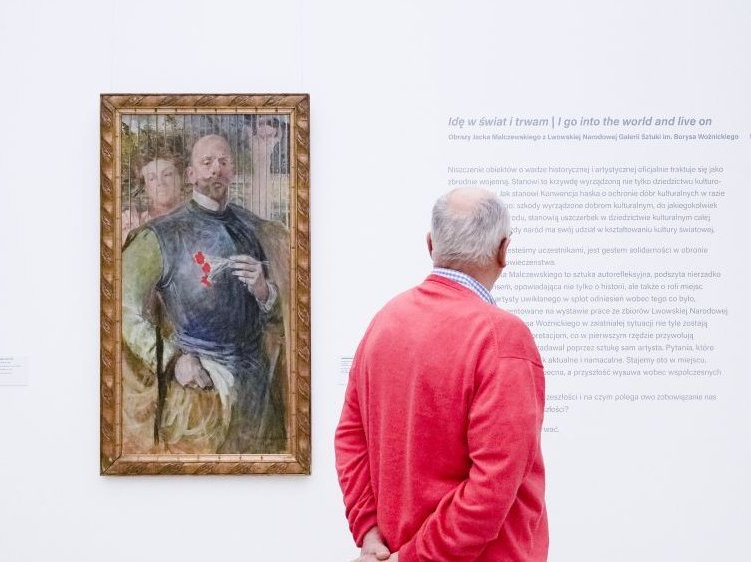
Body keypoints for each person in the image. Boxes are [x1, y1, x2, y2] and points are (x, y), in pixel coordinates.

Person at [335, 187, 547, 562]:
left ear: (431, 245)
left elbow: (351, 438)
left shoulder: (385, 322)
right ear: (503, 251)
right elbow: (492, 487)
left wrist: (370, 534)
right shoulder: (501, 338)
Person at [121, 134, 289, 454]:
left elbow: (287, 313)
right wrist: (175, 361)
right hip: (201, 390)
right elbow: (123, 309)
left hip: (260, 391)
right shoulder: (160, 235)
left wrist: (265, 291)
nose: (216, 170)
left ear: (232, 171)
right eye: (207, 163)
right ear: (191, 174)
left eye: (223, 162)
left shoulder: (256, 229)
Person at [121, 154, 187, 240]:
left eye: (167, 174)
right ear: (145, 187)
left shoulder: (198, 218)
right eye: (152, 178)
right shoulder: (130, 221)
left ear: (181, 179)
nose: (160, 183)